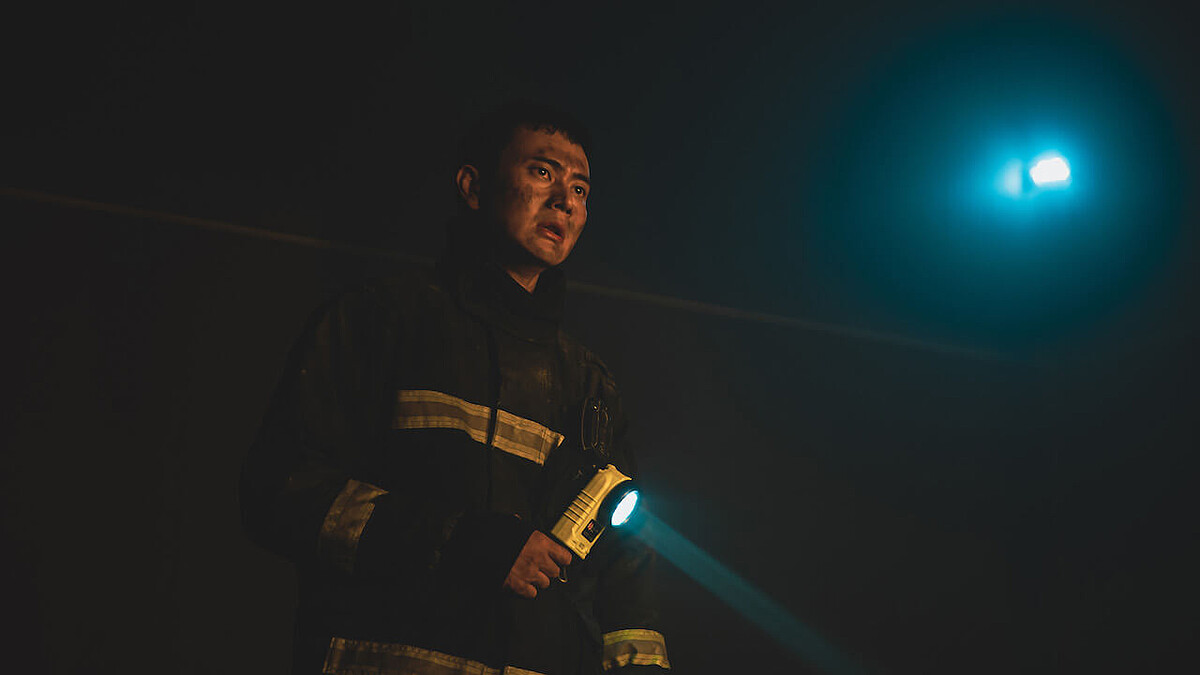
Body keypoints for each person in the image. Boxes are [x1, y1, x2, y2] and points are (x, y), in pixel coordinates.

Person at [240, 102, 671, 675]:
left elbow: (625, 571)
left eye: (580, 189)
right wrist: (462, 542)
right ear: (473, 186)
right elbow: (279, 490)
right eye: (542, 171)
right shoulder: (380, 322)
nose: (565, 201)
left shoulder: (589, 385)